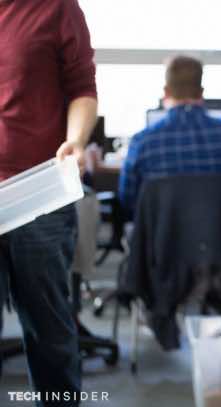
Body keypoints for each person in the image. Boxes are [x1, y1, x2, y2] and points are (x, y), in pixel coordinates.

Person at [0, 0, 98, 404]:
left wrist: (75, 140)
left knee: (49, 332)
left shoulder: (56, 8)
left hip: (38, 192)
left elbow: (82, 88)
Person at [118, 55, 221, 215]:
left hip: (162, 232)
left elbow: (128, 199)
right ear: (201, 92)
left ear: (166, 91)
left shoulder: (142, 141)